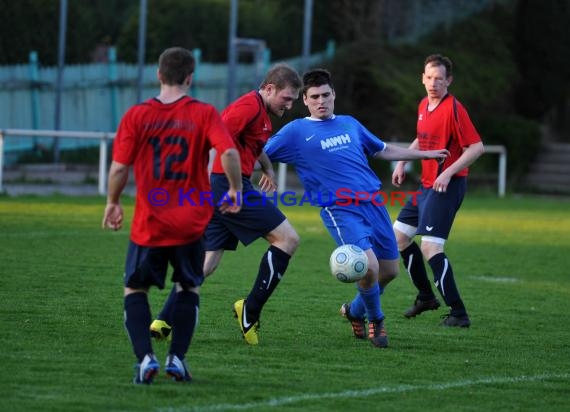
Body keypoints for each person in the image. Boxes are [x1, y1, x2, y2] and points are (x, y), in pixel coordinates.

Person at [264, 68, 449, 348]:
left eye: (326, 95)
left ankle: (354, 311)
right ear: (305, 100)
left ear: (334, 94)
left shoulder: (350, 123)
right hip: (339, 209)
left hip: (373, 204)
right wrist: (234, 172)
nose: (321, 101)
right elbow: (260, 151)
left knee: (389, 271)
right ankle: (376, 321)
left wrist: (424, 154)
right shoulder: (296, 131)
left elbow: (383, 149)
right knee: (369, 266)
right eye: (314, 97)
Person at [102, 47, 242, 384]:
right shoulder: (204, 113)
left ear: (158, 75)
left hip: (150, 223)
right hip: (192, 224)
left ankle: (146, 359)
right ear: (190, 78)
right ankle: (176, 360)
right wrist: (235, 189)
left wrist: (113, 201)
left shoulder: (137, 115)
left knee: (135, 290)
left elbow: (120, 167)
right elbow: (229, 151)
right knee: (189, 288)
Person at [150, 62, 303, 346]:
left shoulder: (262, 113)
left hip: (222, 185)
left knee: (207, 262)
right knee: (288, 239)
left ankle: (164, 319)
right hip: (228, 185)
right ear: (269, 89)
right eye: (287, 98)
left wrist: (267, 168)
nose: (290, 105)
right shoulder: (248, 107)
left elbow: (253, 146)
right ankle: (250, 309)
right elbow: (216, 138)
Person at [392, 54, 485, 328]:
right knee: (397, 238)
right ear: (422, 78)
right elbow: (422, 139)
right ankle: (425, 297)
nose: (433, 83)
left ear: (449, 81)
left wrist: (447, 171)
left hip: (447, 186)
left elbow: (476, 147)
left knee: (431, 247)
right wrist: (403, 161)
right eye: (429, 78)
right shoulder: (424, 104)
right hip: (426, 186)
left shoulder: (454, 108)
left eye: (439, 79)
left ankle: (458, 313)